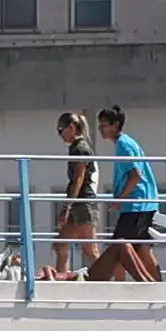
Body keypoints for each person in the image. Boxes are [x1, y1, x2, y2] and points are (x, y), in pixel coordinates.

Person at [99, 105, 161, 281]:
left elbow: (135, 175)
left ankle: (121, 287)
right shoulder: (126, 142)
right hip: (143, 203)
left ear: (115, 124)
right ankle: (158, 284)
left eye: (104, 125)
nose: (101, 129)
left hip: (137, 204)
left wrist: (120, 199)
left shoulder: (123, 145)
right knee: (141, 248)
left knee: (119, 248)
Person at [52, 112, 101, 278]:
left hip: (83, 204)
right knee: (61, 244)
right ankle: (61, 279)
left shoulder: (80, 149)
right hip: (78, 204)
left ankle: (110, 281)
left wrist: (67, 207)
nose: (60, 135)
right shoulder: (76, 148)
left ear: (72, 128)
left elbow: (78, 179)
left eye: (61, 130)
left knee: (90, 250)